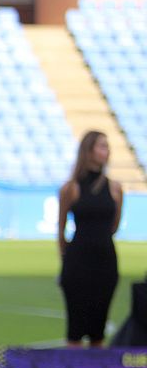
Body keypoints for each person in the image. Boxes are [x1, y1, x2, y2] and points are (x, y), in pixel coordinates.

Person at [57, 130, 122, 348]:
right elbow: (61, 227)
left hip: (105, 261)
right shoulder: (71, 188)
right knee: (75, 328)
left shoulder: (115, 188)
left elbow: (114, 225)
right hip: (78, 262)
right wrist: (65, 258)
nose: (107, 150)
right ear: (88, 150)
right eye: (102, 146)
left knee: (98, 328)